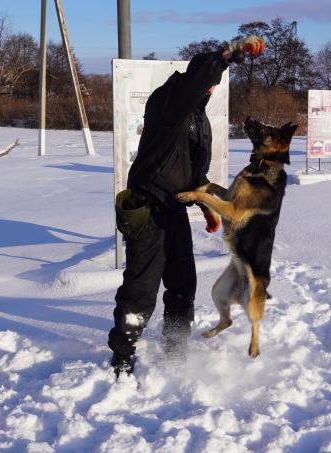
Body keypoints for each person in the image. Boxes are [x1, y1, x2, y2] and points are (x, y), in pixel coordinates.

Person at [109, 38, 265, 378]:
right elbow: (195, 81)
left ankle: (177, 345)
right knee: (141, 288)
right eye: (208, 82)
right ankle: (122, 353)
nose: (210, 89)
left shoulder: (196, 117)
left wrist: (208, 206)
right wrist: (227, 55)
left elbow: (194, 170)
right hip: (148, 209)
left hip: (174, 209)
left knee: (183, 284)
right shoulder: (168, 100)